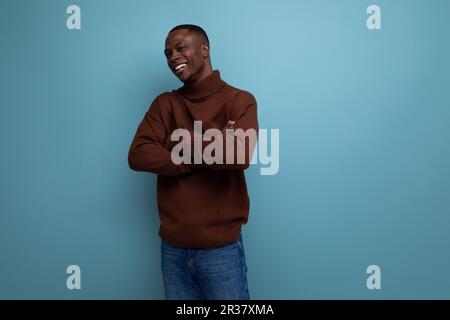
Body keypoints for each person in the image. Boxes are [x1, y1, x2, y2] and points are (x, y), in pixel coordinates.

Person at [128, 24, 258, 300]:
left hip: (221, 250)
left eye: (180, 48)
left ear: (204, 49)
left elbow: (240, 153)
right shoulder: (165, 104)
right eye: (167, 53)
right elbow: (138, 154)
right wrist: (213, 145)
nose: (172, 57)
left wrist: (176, 140)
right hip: (172, 250)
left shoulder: (240, 100)